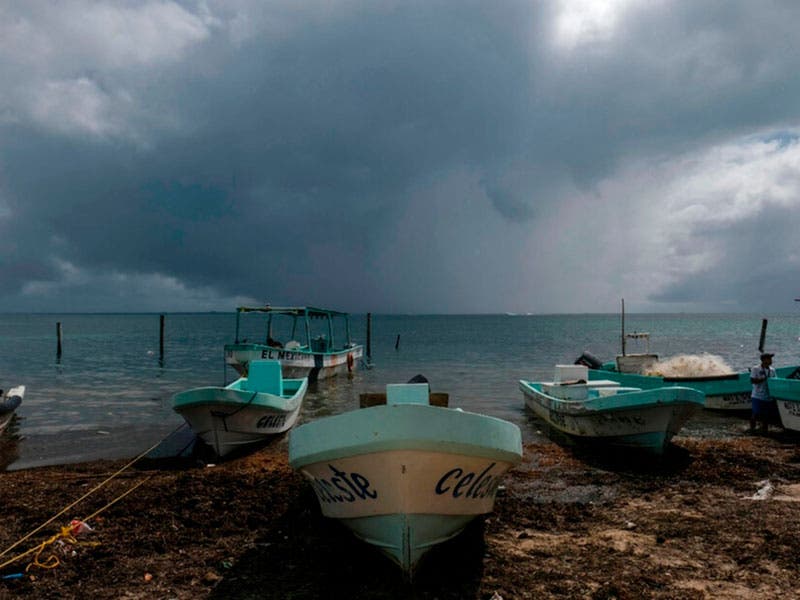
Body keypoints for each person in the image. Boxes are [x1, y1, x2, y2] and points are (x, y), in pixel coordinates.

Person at [750, 352, 777, 433]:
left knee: (766, 415)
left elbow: (775, 381)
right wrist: (763, 379)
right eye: (769, 359)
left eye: (771, 359)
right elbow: (752, 380)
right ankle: (752, 429)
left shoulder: (772, 370)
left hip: (768, 396)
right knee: (756, 413)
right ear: (764, 360)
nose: (771, 360)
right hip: (757, 396)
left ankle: (765, 430)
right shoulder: (755, 369)